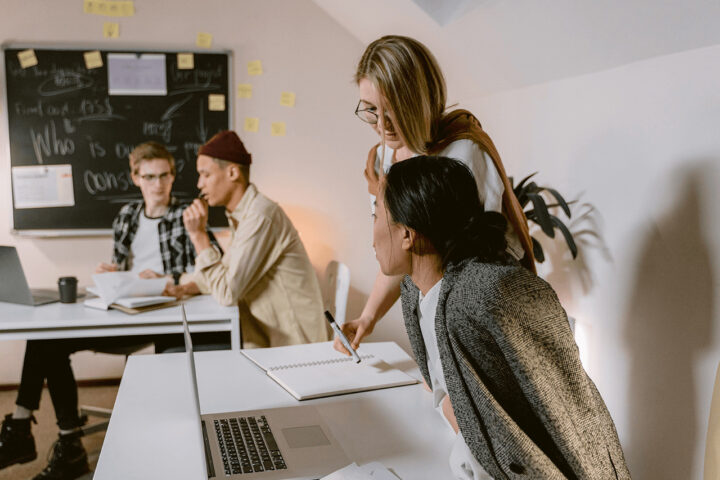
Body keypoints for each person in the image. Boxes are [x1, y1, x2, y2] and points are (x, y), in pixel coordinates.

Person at [369, 155, 630, 479]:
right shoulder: (416, 293)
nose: (373, 230)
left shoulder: (483, 297)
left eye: (375, 215)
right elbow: (455, 397)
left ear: (408, 235)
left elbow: (563, 422)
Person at [0, 142, 218, 480]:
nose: (157, 184)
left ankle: (28, 434)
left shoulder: (188, 215)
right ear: (135, 178)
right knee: (46, 340)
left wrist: (167, 278)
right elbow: (122, 269)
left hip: (164, 314)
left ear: (173, 177)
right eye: (149, 177)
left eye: (164, 176)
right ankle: (54, 436)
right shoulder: (127, 216)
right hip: (126, 312)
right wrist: (112, 274)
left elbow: (211, 269)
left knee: (47, 342)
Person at [337, 35, 535, 353]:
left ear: (420, 99)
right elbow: (401, 249)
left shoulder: (463, 155)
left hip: (473, 312)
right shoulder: (383, 159)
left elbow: (472, 267)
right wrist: (367, 318)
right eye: (372, 109)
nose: (382, 124)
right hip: (425, 301)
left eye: (393, 110)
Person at [165, 130, 329, 348]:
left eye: (206, 174)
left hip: (293, 346)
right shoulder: (243, 215)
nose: (199, 184)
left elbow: (227, 292)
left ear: (233, 173)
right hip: (266, 340)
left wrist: (198, 235)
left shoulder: (260, 216)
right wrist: (183, 286)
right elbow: (226, 272)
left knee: (185, 350)